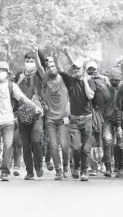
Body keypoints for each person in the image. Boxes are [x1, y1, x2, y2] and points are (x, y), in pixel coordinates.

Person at [0, 61, 43, 181]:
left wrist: (35, 107)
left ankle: (5, 171)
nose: (1, 72)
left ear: (7, 73)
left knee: (8, 146)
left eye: (3, 70)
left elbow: (23, 98)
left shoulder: (12, 86)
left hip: (8, 122)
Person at [54, 50, 96, 181]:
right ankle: (76, 166)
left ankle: (84, 171)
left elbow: (90, 96)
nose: (76, 71)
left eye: (78, 69)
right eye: (75, 70)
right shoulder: (70, 81)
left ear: (83, 70)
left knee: (86, 148)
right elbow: (60, 70)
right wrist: (57, 58)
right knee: (76, 147)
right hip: (74, 120)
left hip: (87, 118)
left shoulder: (89, 81)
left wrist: (84, 82)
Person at [33, 50, 71, 180]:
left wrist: (67, 115)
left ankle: (66, 165)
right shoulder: (46, 79)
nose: (51, 68)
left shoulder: (64, 79)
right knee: (53, 146)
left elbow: (69, 100)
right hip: (50, 119)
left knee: (65, 145)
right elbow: (38, 67)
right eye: (48, 67)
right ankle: (59, 171)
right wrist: (35, 53)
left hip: (63, 119)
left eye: (53, 66)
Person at [14, 52, 46, 180]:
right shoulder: (19, 76)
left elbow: (41, 68)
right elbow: (12, 91)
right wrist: (19, 81)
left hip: (37, 114)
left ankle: (38, 166)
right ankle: (29, 172)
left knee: (37, 141)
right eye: (27, 60)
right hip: (22, 115)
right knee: (26, 145)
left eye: (32, 60)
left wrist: (37, 52)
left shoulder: (38, 74)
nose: (29, 63)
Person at [105, 68, 123, 178]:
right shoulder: (105, 88)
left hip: (121, 119)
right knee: (107, 140)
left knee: (120, 143)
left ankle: (120, 167)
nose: (114, 82)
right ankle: (108, 167)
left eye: (117, 80)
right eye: (112, 80)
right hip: (107, 118)